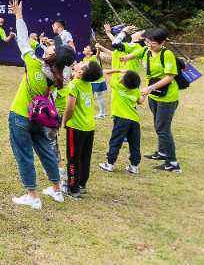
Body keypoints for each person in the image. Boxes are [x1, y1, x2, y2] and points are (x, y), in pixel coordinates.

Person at [7, 0, 73, 209]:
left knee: (24, 154)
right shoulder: (60, 77)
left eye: (52, 48)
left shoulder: (34, 64)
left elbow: (23, 41)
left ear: (53, 56)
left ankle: (32, 195)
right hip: (40, 118)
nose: (49, 47)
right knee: (45, 150)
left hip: (20, 114)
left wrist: (18, 16)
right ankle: (56, 190)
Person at [139, 27, 182, 173]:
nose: (150, 44)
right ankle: (162, 152)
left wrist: (150, 88)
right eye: (148, 41)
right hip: (154, 95)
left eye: (153, 43)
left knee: (163, 128)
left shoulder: (167, 54)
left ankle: (173, 163)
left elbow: (170, 77)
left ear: (163, 42)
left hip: (167, 97)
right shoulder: (147, 52)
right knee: (158, 125)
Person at [61, 58, 102, 198]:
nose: (80, 62)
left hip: (76, 127)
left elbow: (70, 107)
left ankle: (72, 188)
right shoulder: (88, 84)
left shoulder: (74, 85)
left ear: (81, 71)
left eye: (83, 63)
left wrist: (64, 121)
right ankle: (82, 184)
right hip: (89, 126)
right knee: (85, 157)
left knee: (73, 157)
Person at [99, 70, 143, 175]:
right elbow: (140, 101)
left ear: (123, 80)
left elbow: (105, 72)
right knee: (134, 144)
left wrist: (119, 70)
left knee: (116, 141)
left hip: (121, 120)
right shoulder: (136, 90)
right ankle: (134, 166)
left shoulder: (117, 85)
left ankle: (109, 164)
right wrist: (145, 93)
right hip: (134, 120)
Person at [81, 45, 108, 119]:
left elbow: (97, 55)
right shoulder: (84, 59)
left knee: (99, 97)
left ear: (90, 52)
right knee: (90, 96)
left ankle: (102, 113)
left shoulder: (93, 58)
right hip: (90, 81)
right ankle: (88, 112)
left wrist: (98, 49)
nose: (84, 48)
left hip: (97, 81)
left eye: (86, 48)